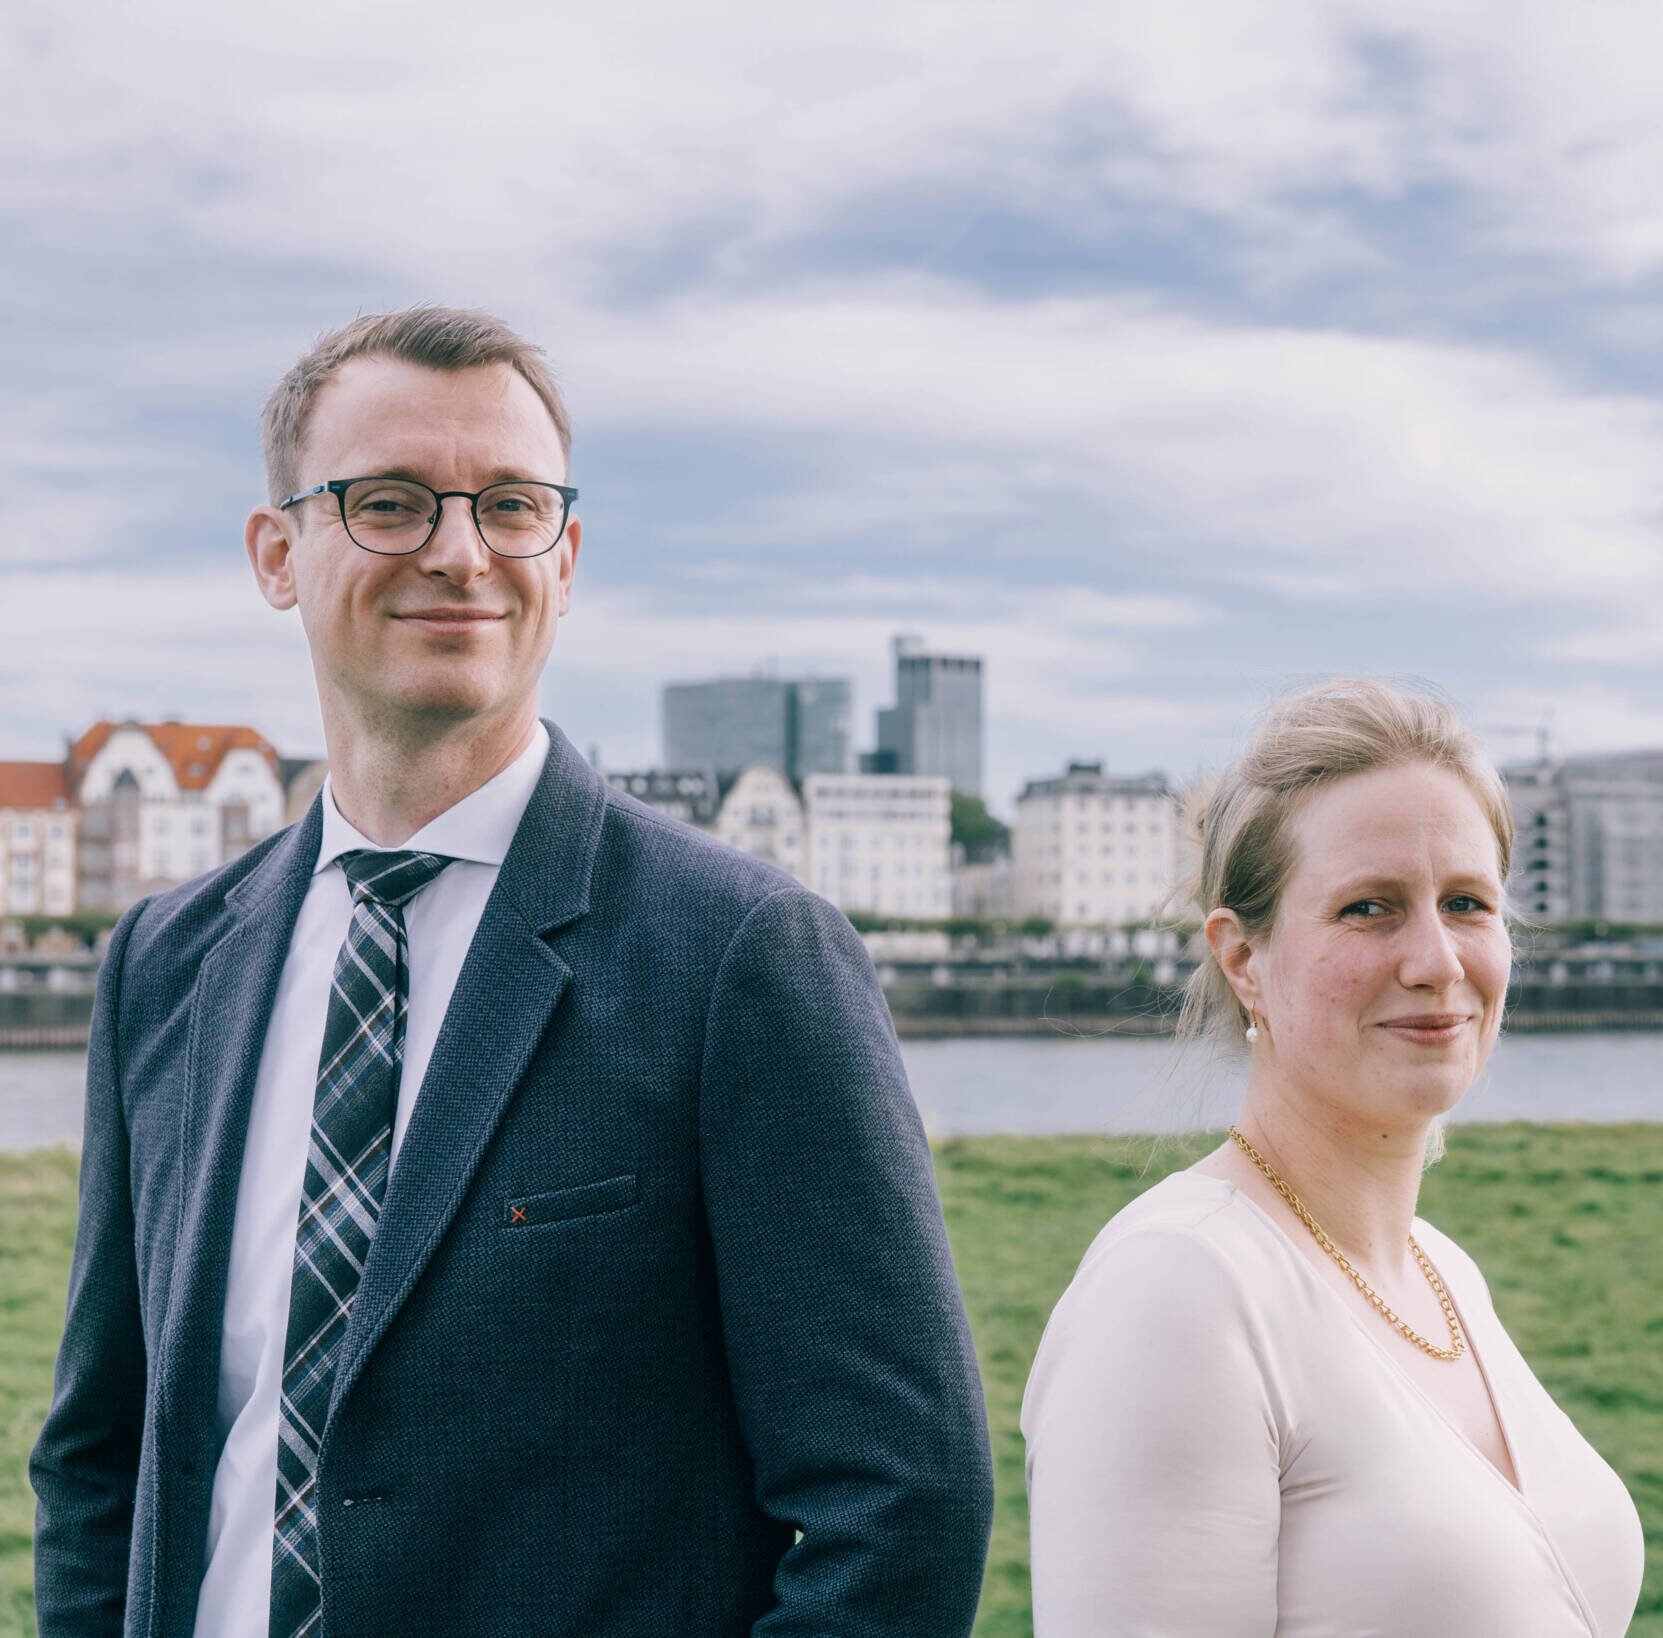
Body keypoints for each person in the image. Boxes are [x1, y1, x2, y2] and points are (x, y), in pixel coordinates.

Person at [31, 306, 994, 1637]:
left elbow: (899, 1503)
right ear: (275, 552)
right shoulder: (168, 961)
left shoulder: (737, 955)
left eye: (509, 505)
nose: (459, 551)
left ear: (567, 551)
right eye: (390, 502)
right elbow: (104, 1450)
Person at [1021, 679, 1643, 1637]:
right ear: (1240, 958)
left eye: (1467, 903)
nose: (1436, 960)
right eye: (1368, 908)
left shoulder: (1443, 1274)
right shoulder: (1178, 1288)